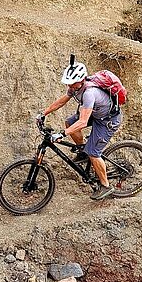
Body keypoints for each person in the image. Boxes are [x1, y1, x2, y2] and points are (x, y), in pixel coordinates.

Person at [37, 59, 122, 200]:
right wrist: (44, 113)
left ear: (81, 80)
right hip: (96, 114)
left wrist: (61, 134)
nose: (69, 85)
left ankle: (106, 186)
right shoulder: (75, 87)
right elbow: (62, 101)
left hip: (107, 121)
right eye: (68, 82)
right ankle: (83, 153)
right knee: (69, 122)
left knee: (93, 152)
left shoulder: (89, 93)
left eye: (72, 82)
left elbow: (82, 122)